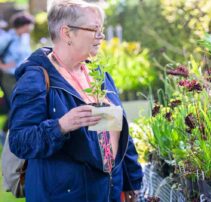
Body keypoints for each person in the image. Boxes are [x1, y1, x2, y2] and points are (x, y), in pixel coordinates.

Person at [8, 0, 143, 201]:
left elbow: (119, 129)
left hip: (108, 191)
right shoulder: (35, 79)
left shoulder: (97, 73)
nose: (101, 36)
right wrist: (61, 126)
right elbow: (20, 142)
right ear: (67, 33)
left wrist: (131, 181)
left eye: (102, 29)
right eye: (94, 29)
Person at [0, 12, 34, 135]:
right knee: (16, 102)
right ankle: (5, 130)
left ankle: (11, 129)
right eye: (29, 25)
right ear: (23, 25)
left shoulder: (25, 38)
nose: (31, 28)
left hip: (22, 74)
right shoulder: (7, 38)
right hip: (9, 76)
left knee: (23, 100)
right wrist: (3, 65)